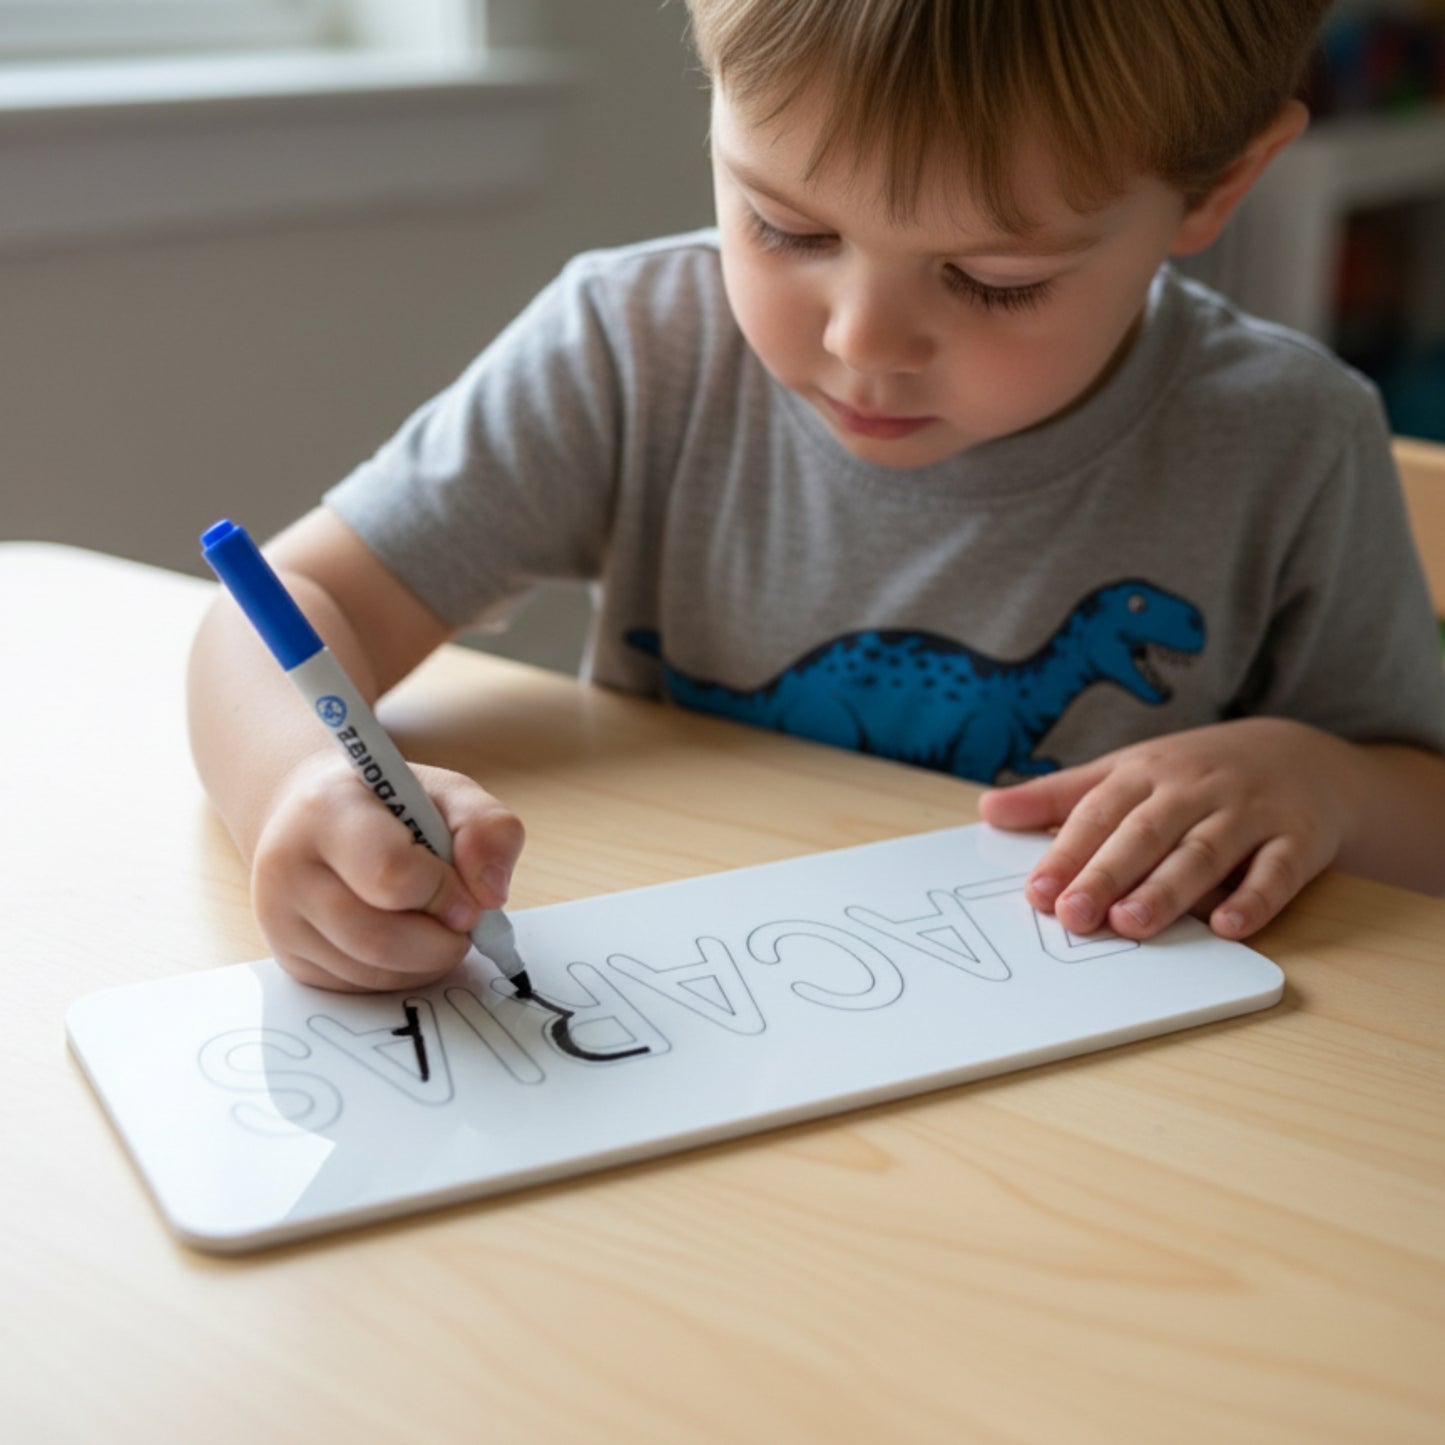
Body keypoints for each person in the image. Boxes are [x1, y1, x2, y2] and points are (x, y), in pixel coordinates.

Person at [189, 0, 1445, 993]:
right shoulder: (633, 348)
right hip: (698, 1017)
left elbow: (1425, 818)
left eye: (995, 279)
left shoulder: (1288, 440)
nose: (864, 339)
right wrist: (301, 785)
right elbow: (274, 609)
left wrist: (1322, 784)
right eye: (786, 227)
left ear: (1218, 186)